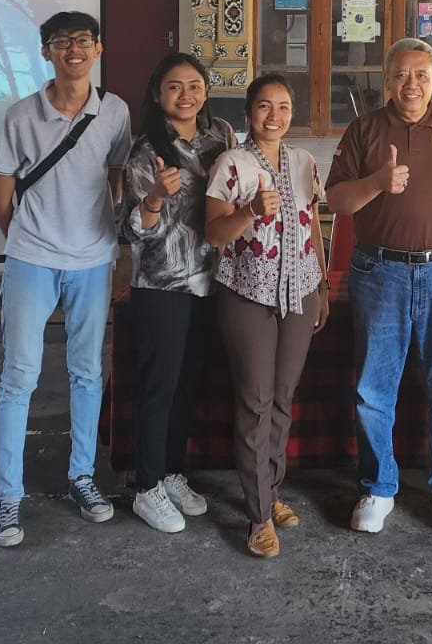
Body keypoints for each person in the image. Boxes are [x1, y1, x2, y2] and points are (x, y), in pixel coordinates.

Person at [326, 38, 432, 535]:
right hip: (380, 272)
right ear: (387, 81)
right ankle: (378, 488)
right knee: (374, 388)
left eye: (421, 74)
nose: (411, 84)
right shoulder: (364, 130)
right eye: (401, 74)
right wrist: (377, 182)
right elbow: (337, 201)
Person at [0, 11, 132, 548]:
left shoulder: (114, 111)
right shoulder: (21, 115)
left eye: (83, 40)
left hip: (92, 260)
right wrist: (32, 242)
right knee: (19, 376)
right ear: (46, 52)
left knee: (87, 373)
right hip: (32, 259)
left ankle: (82, 476)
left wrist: (100, 240)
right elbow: (1, 200)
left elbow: (115, 179)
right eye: (61, 42)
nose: (74, 50)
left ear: (98, 48)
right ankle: (7, 495)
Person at [204, 73, 330, 559]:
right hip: (247, 293)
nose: (273, 116)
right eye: (263, 106)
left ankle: (271, 490)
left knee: (282, 397)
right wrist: (251, 210)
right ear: (248, 112)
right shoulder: (231, 163)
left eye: (283, 107)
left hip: (299, 292)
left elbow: (312, 226)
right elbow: (214, 234)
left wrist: (321, 285)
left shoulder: (303, 161)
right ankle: (258, 516)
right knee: (255, 401)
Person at [122, 53, 235, 533]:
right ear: (157, 94)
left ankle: (171, 472)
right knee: (160, 385)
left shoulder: (221, 137)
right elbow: (132, 230)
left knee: (188, 382)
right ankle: (146, 486)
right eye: (174, 86)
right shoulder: (146, 151)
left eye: (194, 85)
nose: (185, 95)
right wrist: (154, 199)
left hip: (210, 280)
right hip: (162, 284)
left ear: (205, 91)